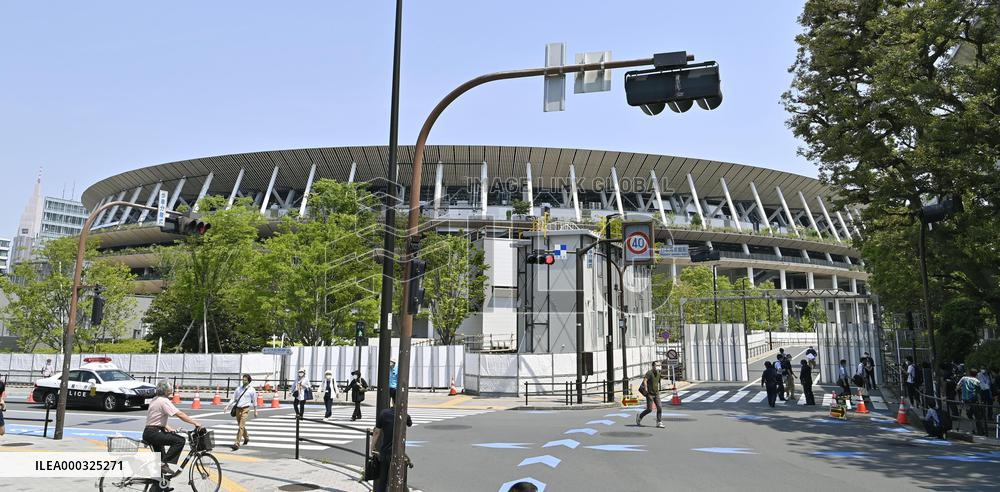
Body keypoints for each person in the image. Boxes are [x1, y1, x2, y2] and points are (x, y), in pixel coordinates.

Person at [144, 380, 202, 478]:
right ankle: (163, 463)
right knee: (179, 440)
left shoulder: (155, 399)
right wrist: (195, 422)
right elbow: (179, 414)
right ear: (166, 390)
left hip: (150, 432)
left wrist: (166, 427)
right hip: (154, 432)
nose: (171, 390)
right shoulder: (164, 401)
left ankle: (160, 485)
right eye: (170, 388)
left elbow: (155, 416)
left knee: (161, 461)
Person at [373, 406, 413, 492]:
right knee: (399, 479)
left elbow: (376, 432)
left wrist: (372, 446)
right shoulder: (404, 414)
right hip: (398, 453)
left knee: (383, 480)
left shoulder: (384, 413)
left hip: (385, 451)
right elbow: (410, 424)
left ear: (391, 398)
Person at [224, 373, 257, 451]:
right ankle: (246, 437)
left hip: (246, 409)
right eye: (243, 379)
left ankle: (237, 443)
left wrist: (255, 411)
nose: (243, 381)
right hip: (238, 409)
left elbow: (254, 401)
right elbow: (233, 398)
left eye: (245, 380)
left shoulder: (252, 390)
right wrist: (227, 406)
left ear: (249, 381)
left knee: (241, 426)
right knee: (241, 425)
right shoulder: (238, 389)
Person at [636, 361, 663, 428]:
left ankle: (659, 422)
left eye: (659, 365)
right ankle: (640, 416)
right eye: (657, 365)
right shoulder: (649, 373)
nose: (658, 367)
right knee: (649, 409)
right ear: (653, 366)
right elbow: (645, 380)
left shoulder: (659, 373)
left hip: (656, 393)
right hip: (649, 394)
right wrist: (646, 389)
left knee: (659, 407)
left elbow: (657, 382)